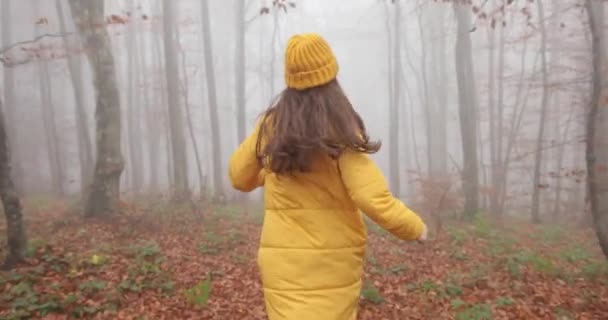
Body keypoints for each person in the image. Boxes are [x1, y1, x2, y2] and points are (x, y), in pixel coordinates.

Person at [228, 33, 427, 320]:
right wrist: (415, 228)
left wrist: (268, 172)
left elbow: (238, 177)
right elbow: (372, 197)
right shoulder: (340, 131)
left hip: (283, 266)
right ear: (331, 77)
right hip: (332, 265)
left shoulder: (272, 125)